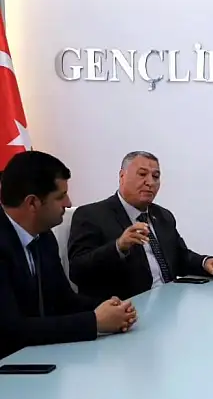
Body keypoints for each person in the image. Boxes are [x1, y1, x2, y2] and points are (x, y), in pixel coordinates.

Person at [0, 151, 136, 359]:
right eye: (60, 196)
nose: (68, 203)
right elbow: (10, 330)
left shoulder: (44, 237)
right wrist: (94, 322)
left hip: (42, 357)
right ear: (32, 203)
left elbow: (63, 300)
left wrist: (112, 308)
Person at [67, 151, 213, 301]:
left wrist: (206, 262)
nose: (150, 182)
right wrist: (118, 247)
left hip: (168, 303)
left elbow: (180, 256)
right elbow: (77, 271)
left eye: (156, 176)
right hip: (126, 309)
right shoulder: (91, 215)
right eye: (142, 174)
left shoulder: (163, 216)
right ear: (122, 176)